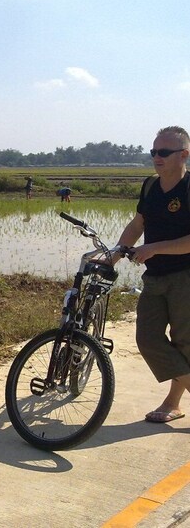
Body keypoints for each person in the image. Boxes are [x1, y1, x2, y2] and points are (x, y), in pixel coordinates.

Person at [113, 126, 190, 424]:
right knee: (147, 338)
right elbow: (137, 224)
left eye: (164, 152)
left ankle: (172, 402)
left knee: (184, 343)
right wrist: (117, 253)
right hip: (155, 277)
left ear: (183, 155)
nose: (156, 157)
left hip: (185, 276)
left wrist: (155, 248)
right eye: (154, 151)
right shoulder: (150, 187)